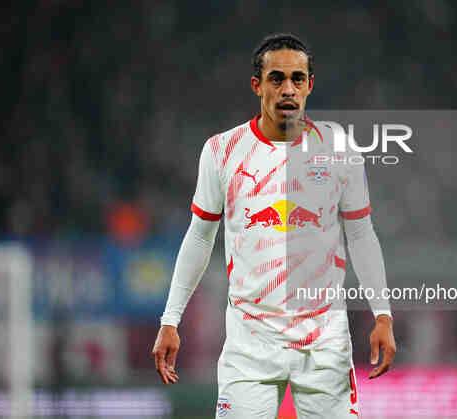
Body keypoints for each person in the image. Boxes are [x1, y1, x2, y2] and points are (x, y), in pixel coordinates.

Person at [152, 33, 396, 419]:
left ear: (310, 85)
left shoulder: (339, 149)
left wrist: (382, 313)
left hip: (324, 343)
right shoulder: (222, 151)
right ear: (257, 85)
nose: (288, 89)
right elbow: (200, 235)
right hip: (250, 346)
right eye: (277, 78)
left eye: (297, 79)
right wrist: (171, 319)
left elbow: (361, 234)